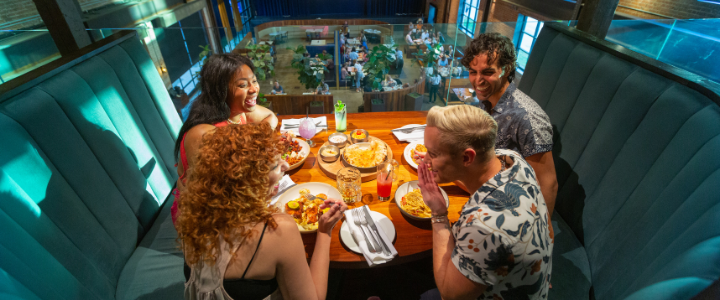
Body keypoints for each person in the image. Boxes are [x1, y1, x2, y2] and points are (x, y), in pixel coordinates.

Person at [179, 123, 348, 300]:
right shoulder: (277, 229)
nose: (284, 165)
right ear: (250, 183)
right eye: (275, 166)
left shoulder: (192, 215)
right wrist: (324, 231)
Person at [414, 105, 552, 300]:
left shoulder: (485, 231)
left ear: (466, 157)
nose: (426, 160)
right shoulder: (512, 160)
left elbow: (449, 294)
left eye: (433, 154)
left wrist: (438, 214)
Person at [172, 54, 279, 226]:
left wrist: (254, 137)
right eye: (243, 85)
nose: (253, 89)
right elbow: (223, 193)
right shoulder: (203, 133)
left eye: (254, 81)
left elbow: (270, 117)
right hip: (205, 219)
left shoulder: (238, 111)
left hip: (235, 202)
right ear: (220, 90)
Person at [460, 32, 557, 216]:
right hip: (482, 184)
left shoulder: (528, 116)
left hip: (507, 207)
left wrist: (544, 233)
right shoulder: (487, 97)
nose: (478, 81)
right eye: (473, 72)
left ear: (507, 68)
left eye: (488, 72)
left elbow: (548, 183)